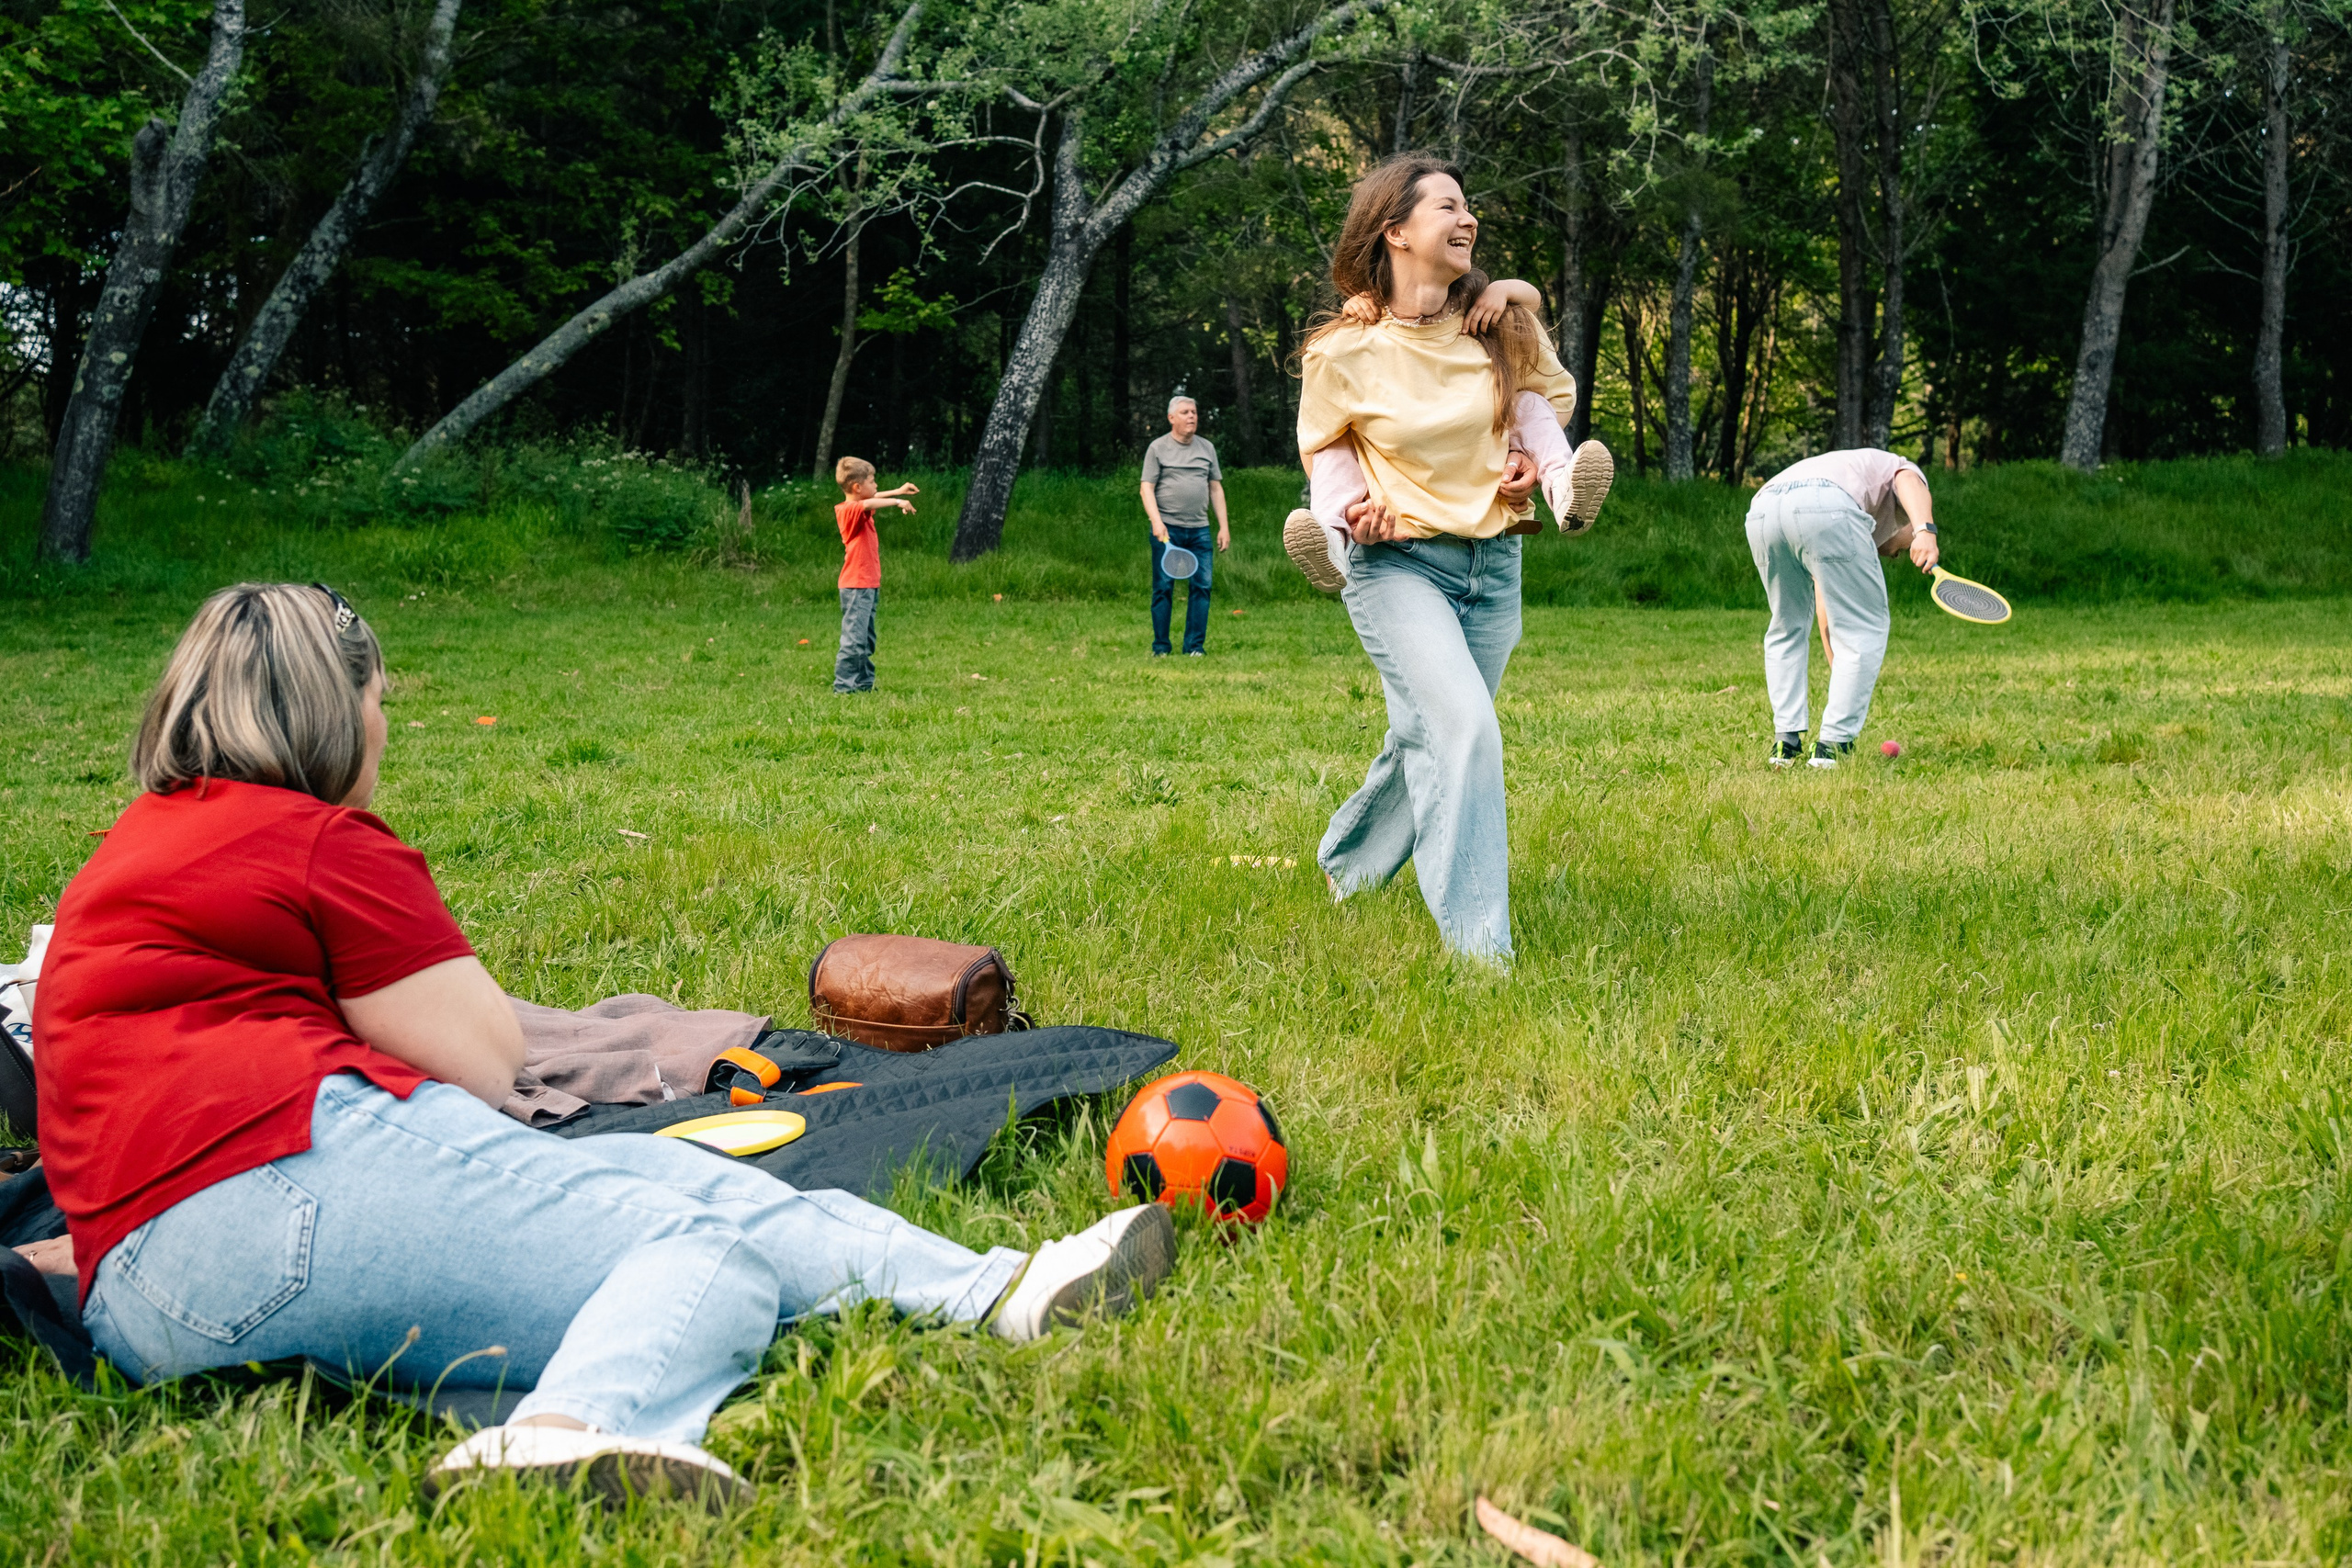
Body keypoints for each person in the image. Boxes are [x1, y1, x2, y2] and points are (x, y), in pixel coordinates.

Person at [31, 582, 1177, 1506]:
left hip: (143, 1298)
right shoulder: (319, 841)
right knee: (696, 1248)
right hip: (278, 1177)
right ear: (337, 708)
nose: (385, 727)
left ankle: (1001, 1290)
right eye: (380, 700)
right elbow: (487, 1064)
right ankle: (572, 1430)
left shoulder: (132, 850)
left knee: (683, 1177)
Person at [1295, 153, 1577, 965]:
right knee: (1466, 729)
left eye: (1468, 206)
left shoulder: (1496, 326)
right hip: (1398, 566)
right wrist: (1354, 513)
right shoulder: (1343, 350)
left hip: (1494, 563)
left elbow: (1545, 406)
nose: (1468, 218)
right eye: (1448, 206)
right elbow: (1327, 451)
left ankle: (1349, 863)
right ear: (1395, 231)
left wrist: (1525, 460)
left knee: (1430, 730)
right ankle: (1483, 953)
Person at [1744, 447, 1941, 767]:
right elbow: (1907, 477)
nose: (1897, 553)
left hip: (1763, 510)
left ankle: (1785, 745)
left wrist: (1845, 674)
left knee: (1786, 626)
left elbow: (1826, 607)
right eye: (1904, 547)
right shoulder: (1895, 471)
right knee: (1865, 627)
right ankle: (1832, 746)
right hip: (1825, 504)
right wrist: (1925, 531)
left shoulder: (1854, 478)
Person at [1138, 397, 1229, 657]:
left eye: (1194, 412)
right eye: (1185, 412)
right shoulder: (1157, 448)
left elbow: (1215, 488)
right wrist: (1157, 522)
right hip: (1167, 530)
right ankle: (1161, 648)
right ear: (1171, 418)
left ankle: (1194, 647)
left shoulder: (1206, 448)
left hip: (1200, 530)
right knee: (1163, 588)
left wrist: (1223, 527)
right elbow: (1146, 488)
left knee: (1202, 587)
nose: (1191, 416)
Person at [833, 457, 916, 694]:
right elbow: (868, 503)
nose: (876, 485)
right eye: (872, 481)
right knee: (854, 640)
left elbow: (872, 498)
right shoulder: (847, 510)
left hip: (867, 585)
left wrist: (898, 491)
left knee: (865, 639)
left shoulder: (859, 503)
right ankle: (844, 687)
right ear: (857, 487)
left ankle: (863, 684)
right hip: (856, 586)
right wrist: (898, 501)